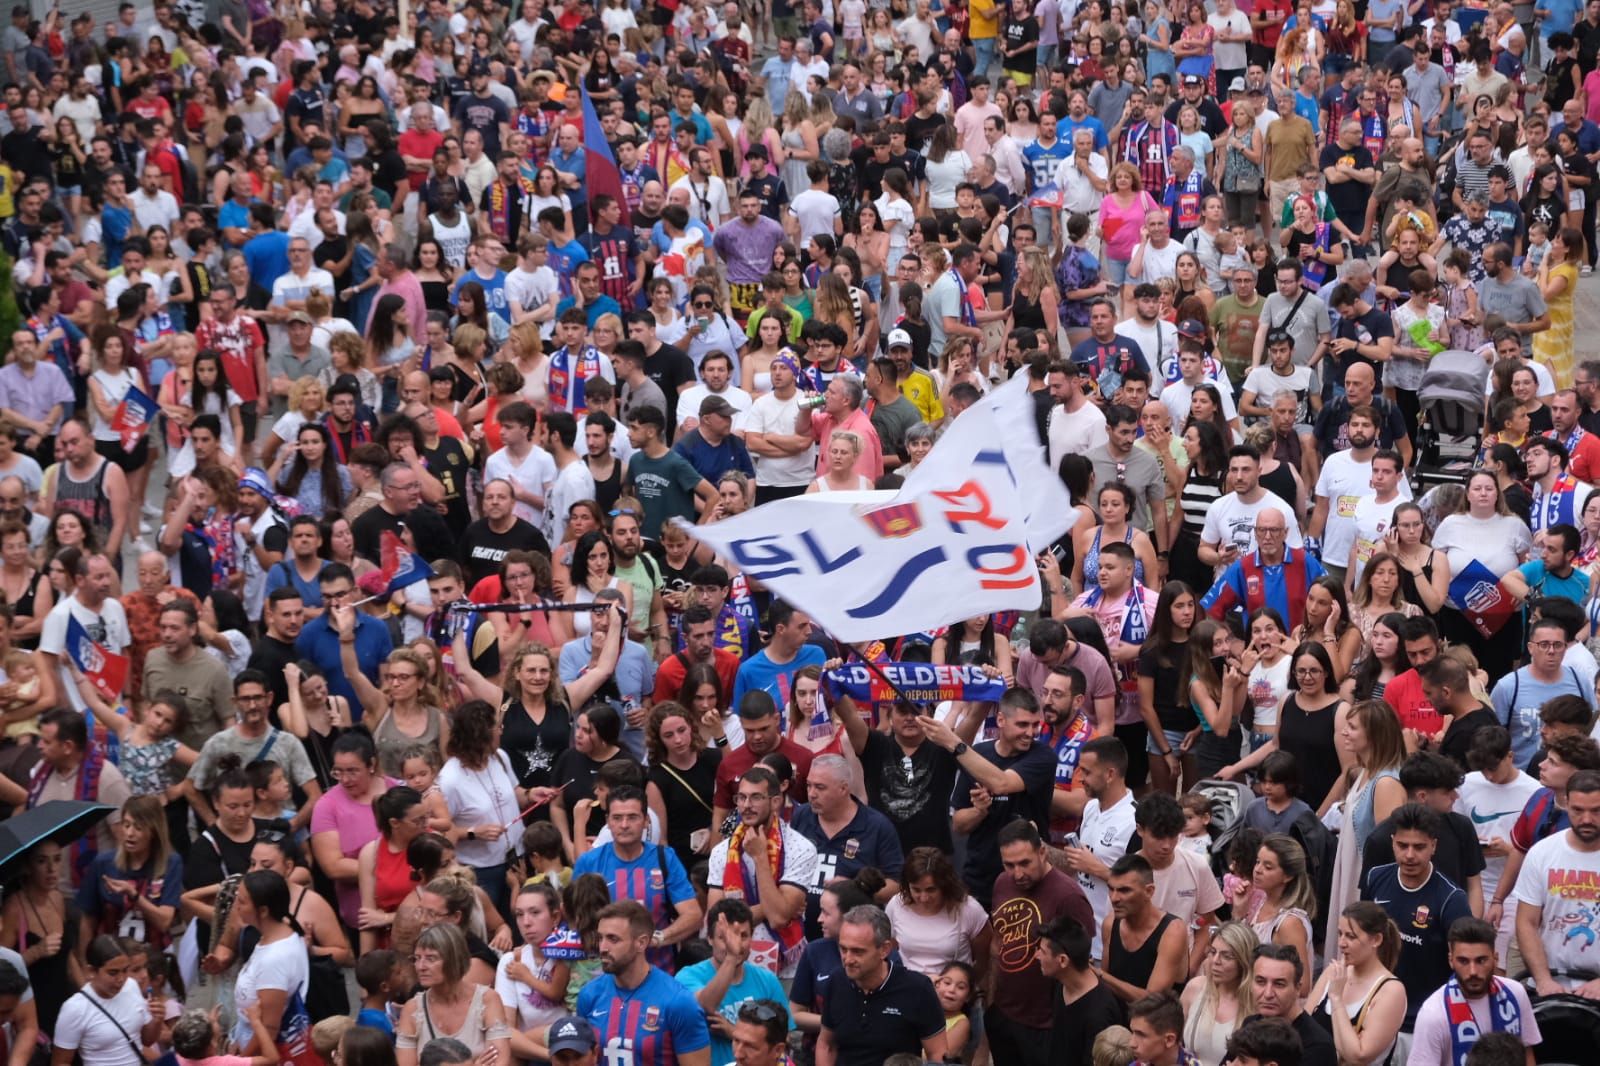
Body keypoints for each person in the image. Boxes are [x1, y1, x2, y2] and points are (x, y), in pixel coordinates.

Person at [1360, 803, 1472, 1042]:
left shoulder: (1452, 899)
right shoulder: (1374, 878)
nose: (1409, 855)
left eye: (1419, 847)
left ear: (1433, 846)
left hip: (1423, 1023)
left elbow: (1464, 964)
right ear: (1392, 842)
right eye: (1402, 845)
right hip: (1374, 1013)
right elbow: (1362, 938)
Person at [706, 763, 817, 978]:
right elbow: (717, 920)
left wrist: (760, 858)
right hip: (734, 966)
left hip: (785, 970)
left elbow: (778, 919)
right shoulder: (722, 851)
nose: (746, 805)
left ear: (775, 801)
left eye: (756, 797)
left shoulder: (801, 848)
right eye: (741, 798)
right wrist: (775, 905)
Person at [573, 786, 703, 964]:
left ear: (646, 821)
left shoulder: (665, 858)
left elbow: (693, 915)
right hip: (604, 976)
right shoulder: (589, 862)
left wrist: (657, 938)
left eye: (632, 817)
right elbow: (575, 920)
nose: (624, 825)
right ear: (607, 822)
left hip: (659, 971)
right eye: (617, 818)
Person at [578, 901, 712, 1066]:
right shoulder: (589, 995)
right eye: (600, 938)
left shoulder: (679, 1002)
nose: (603, 948)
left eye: (613, 939)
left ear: (641, 943)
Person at [816, 905, 946, 1066]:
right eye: (843, 949)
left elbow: (937, 1055)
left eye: (858, 951)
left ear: (884, 950)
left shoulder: (918, 989)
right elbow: (826, 1044)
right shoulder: (837, 981)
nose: (848, 959)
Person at [791, 755, 903, 938]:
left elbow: (896, 885)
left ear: (844, 788)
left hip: (852, 938)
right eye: (809, 785)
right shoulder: (801, 816)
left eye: (820, 787)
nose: (811, 793)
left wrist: (855, 889)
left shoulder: (876, 827)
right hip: (801, 934)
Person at [1407, 916, 1542, 1066]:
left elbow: (1527, 1053)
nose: (1473, 971)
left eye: (1481, 960)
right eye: (1463, 961)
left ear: (1495, 959)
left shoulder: (1516, 993)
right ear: (1451, 960)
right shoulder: (1433, 1014)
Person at [1513, 768, 1600, 995]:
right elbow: (1526, 922)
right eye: (1578, 810)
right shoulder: (1542, 853)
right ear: (1566, 804)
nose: (1587, 819)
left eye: (1597, 811)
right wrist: (1543, 980)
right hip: (1551, 987)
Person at [676, 899, 792, 1066]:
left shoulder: (767, 980)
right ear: (709, 938)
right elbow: (703, 1006)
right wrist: (732, 957)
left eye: (743, 936)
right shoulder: (687, 977)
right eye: (725, 937)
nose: (735, 944)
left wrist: (733, 1032)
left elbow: (784, 1041)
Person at [51, 934, 162, 1066]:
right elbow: (60, 1062)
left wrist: (157, 1021)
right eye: (113, 973)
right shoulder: (74, 1008)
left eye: (125, 970)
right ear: (91, 971)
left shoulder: (131, 986)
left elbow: (147, 1041)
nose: (121, 979)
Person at [1100, 854, 1191, 1003]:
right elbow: (1105, 986)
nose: (1114, 898)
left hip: (1155, 1023)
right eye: (1111, 889)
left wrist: (1098, 975)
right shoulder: (1110, 923)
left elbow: (1153, 1001)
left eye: (1124, 890)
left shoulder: (1172, 931)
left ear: (1149, 891)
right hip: (1116, 1021)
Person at [1238, 944, 1338, 1066]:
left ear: (1297, 988)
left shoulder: (1317, 1045)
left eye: (1279, 984)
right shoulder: (1250, 1024)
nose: (1268, 993)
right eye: (1261, 982)